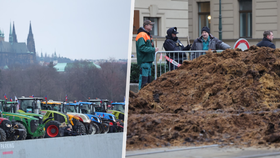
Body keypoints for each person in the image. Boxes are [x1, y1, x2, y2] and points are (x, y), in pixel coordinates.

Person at [136, 20, 159, 90]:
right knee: (144, 82)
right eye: (150, 25)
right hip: (144, 62)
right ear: (146, 26)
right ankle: (140, 97)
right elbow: (142, 48)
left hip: (148, 62)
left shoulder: (147, 35)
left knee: (147, 82)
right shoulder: (142, 35)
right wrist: (153, 49)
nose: (152, 26)